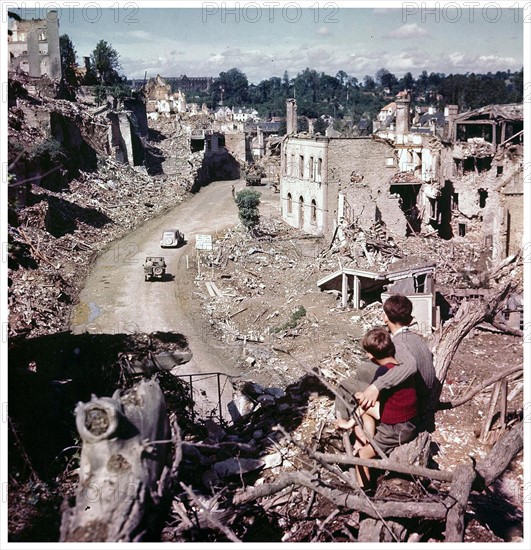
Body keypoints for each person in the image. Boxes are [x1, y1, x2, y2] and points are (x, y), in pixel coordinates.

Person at [356, 294, 436, 433]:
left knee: (358, 376)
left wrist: (376, 387)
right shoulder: (415, 339)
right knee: (370, 369)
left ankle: (354, 427)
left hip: (413, 408)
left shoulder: (399, 343)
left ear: (385, 317)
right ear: (410, 319)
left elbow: (410, 366)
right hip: (424, 395)